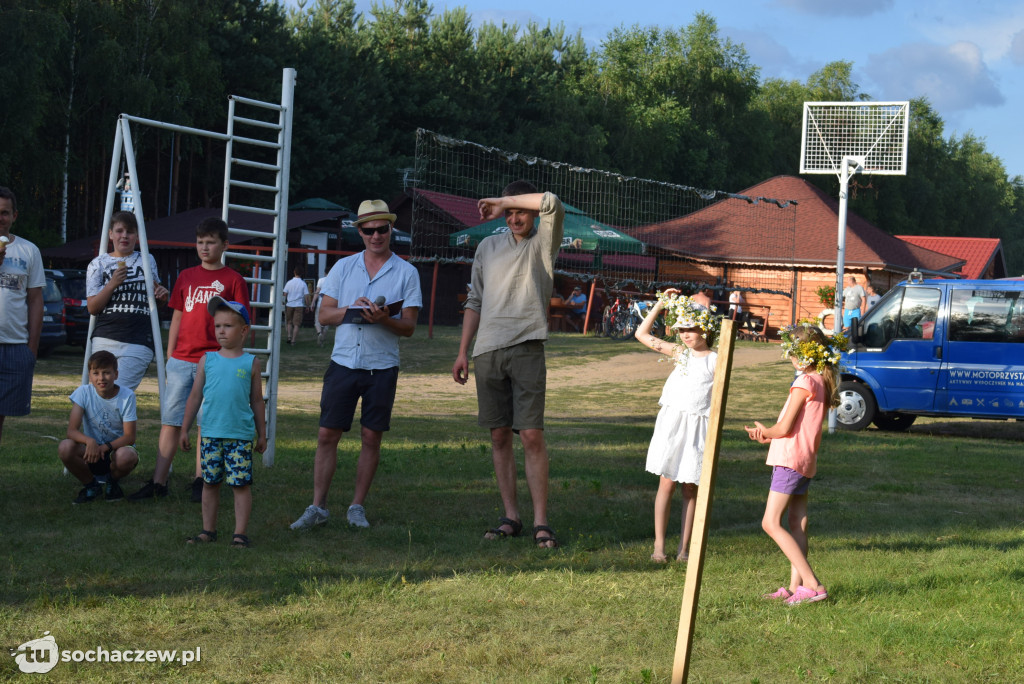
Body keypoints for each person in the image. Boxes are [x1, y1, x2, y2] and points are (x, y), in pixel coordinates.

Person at [290, 199, 422, 531]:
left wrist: (383, 319)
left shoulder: (407, 272)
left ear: (391, 229)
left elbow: (408, 327)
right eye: (369, 230)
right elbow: (324, 314)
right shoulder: (343, 268)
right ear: (359, 231)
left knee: (370, 437)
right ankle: (318, 506)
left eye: (382, 229)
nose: (376, 235)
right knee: (326, 435)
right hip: (344, 363)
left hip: (382, 366)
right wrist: (355, 310)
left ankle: (356, 507)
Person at [451, 180, 565, 549]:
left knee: (531, 434)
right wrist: (463, 351)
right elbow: (474, 300)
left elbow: (551, 202)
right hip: (487, 351)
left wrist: (502, 201)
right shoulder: (487, 246)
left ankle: (541, 522)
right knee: (499, 435)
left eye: (521, 211)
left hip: (527, 347)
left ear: (532, 214)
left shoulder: (542, 244)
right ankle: (511, 517)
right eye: (510, 213)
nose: (515, 218)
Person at [129, 218, 251, 502]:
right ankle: (159, 483)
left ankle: (202, 481)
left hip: (214, 361)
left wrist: (230, 358)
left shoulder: (233, 280)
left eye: (210, 242)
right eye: (200, 242)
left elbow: (243, 324)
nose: (204, 247)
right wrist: (171, 354)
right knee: (171, 420)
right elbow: (178, 316)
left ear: (224, 245)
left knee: (206, 423)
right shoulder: (186, 276)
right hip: (182, 360)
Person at [744, 321, 840, 605]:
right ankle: (795, 587)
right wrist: (769, 437)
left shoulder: (803, 382)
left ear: (801, 353)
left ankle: (812, 584)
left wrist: (764, 432)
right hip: (804, 458)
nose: (788, 355)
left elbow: (784, 427)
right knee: (797, 522)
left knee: (770, 523)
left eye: (790, 349)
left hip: (789, 459)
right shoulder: (821, 380)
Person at [635, 291, 718, 563]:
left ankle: (685, 549)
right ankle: (659, 547)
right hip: (672, 423)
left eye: (691, 328)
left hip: (697, 427)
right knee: (666, 482)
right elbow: (642, 334)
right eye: (681, 329)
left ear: (705, 329)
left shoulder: (714, 359)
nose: (685, 334)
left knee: (690, 487)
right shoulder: (680, 353)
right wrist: (661, 304)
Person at [180, 297, 266, 547]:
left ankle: (240, 534)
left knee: (240, 485)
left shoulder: (251, 362)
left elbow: (257, 401)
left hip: (239, 436)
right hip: (210, 435)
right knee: (210, 483)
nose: (221, 331)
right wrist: (184, 429)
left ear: (244, 330)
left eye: (228, 326)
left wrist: (262, 434)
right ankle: (208, 531)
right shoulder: (208, 360)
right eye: (218, 325)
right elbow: (195, 396)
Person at [85, 211, 169, 391]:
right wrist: (111, 284)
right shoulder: (98, 264)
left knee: (119, 391)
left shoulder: (146, 259)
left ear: (137, 236)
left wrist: (162, 297)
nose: (124, 235)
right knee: (100, 393)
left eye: (129, 231)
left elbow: (155, 298)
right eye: (119, 231)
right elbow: (92, 307)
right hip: (105, 336)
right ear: (110, 234)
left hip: (138, 339)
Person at [58, 351, 139, 503]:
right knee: (65, 447)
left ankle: (112, 483)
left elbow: (130, 437)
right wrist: (90, 442)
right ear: (90, 375)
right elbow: (71, 431)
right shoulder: (83, 392)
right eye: (96, 373)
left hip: (115, 451)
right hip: (91, 453)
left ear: (116, 374)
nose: (101, 378)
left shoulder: (127, 396)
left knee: (126, 456)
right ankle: (91, 485)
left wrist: (106, 447)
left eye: (106, 373)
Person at [0, 186, 44, 445]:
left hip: (15, 345)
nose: (1, 218)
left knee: (1, 415)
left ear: (14, 215)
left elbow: (35, 300)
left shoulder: (29, 251)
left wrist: (32, 347)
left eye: (5, 213)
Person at [283, 267, 308, 345]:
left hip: (289, 304)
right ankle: (293, 340)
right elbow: (306, 296)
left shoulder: (289, 282)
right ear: (301, 274)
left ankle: (289, 336)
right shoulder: (303, 284)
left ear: (294, 272)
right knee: (296, 324)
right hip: (299, 305)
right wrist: (308, 305)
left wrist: (283, 302)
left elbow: (284, 294)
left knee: (289, 322)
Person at [312, 273, 328, 346]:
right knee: (326, 322)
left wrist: (313, 302)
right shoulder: (334, 280)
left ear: (325, 273)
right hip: (329, 305)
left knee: (317, 321)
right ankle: (322, 342)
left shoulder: (321, 280)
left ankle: (319, 333)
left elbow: (317, 292)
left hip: (320, 304)